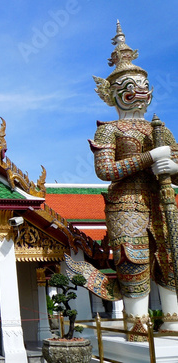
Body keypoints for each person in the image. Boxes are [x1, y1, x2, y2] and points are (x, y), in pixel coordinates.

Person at [69, 21, 178, 341]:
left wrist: (169, 165)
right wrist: (149, 158)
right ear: (114, 93)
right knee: (135, 261)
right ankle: (137, 323)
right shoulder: (109, 129)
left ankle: (172, 319)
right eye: (131, 84)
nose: (140, 90)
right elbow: (105, 172)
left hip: (163, 201)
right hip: (126, 205)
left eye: (144, 83)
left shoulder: (160, 129)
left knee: (170, 259)